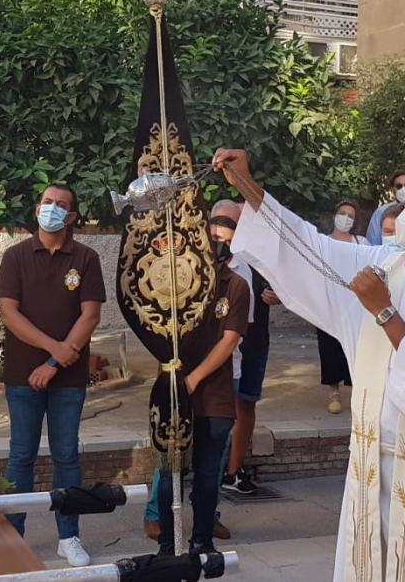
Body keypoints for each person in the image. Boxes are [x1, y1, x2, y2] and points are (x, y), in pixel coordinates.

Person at [215, 147, 405, 582]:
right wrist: (249, 188)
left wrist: (385, 314)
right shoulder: (386, 265)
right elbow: (309, 251)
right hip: (371, 463)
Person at [0, 184, 104, 566]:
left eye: (61, 206)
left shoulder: (86, 258)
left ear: (71, 217)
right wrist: (53, 348)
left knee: (67, 456)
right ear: (37, 207)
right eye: (47, 202)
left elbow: (89, 315)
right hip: (22, 376)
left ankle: (68, 536)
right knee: (20, 457)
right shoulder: (16, 256)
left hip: (67, 381)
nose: (52, 209)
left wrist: (55, 362)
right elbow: (9, 313)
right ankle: (13, 537)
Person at [153, 214, 249, 555]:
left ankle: (201, 541)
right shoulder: (177, 280)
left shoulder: (236, 286)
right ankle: (167, 544)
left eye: (223, 239)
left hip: (214, 396)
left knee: (208, 476)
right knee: (170, 476)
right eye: (211, 236)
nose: (216, 244)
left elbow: (229, 341)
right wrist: (177, 379)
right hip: (174, 395)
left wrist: (193, 378)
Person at [222, 217, 277, 497]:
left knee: (245, 403)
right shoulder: (211, 258)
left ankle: (232, 470)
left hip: (254, 340)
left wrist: (278, 294)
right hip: (221, 344)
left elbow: (282, 284)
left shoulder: (259, 255)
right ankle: (210, 467)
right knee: (217, 408)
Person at [320, 200, 363, 413]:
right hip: (329, 303)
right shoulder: (323, 242)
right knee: (330, 348)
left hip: (356, 304)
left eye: (350, 216)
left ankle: (357, 391)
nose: (345, 218)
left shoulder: (361, 242)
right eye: (342, 213)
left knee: (355, 348)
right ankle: (333, 392)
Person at [365, 169, 405, 244]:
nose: (403, 189)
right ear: (393, 189)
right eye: (399, 186)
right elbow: (372, 243)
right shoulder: (380, 212)